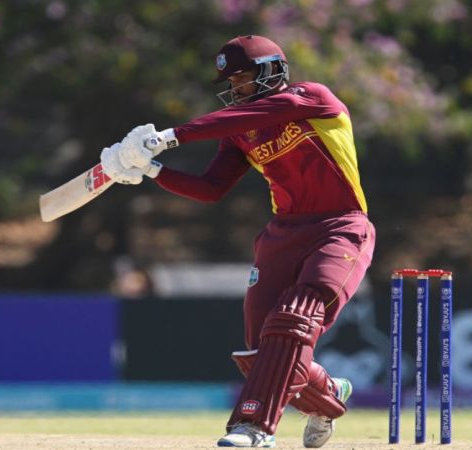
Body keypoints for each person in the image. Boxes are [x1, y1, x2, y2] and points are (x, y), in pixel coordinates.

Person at [100, 35, 375, 448]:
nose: (237, 90)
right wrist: (152, 170)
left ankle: (254, 428)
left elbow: (246, 116)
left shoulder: (311, 98)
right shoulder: (241, 132)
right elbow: (211, 189)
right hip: (282, 235)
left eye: (244, 79)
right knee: (262, 352)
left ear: (272, 71)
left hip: (340, 226)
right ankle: (328, 396)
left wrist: (168, 137)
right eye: (232, 83)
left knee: (294, 317)